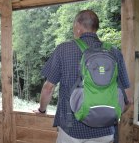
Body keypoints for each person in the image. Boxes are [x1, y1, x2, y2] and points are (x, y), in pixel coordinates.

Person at [34, 10, 131, 143]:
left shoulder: (64, 49)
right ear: (95, 27)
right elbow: (128, 99)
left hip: (71, 130)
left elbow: (48, 88)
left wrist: (42, 110)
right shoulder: (114, 52)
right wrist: (109, 116)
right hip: (105, 133)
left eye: (74, 26)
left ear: (78, 26)